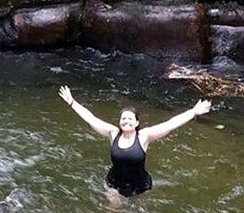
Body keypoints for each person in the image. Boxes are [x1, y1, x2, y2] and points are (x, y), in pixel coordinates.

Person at [58, 85, 212, 200]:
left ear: (137, 122)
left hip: (141, 185)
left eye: (130, 119)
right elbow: (90, 118)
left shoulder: (144, 136)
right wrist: (72, 102)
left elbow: (170, 124)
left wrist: (193, 112)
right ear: (119, 122)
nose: (126, 121)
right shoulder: (113, 133)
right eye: (123, 118)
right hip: (114, 185)